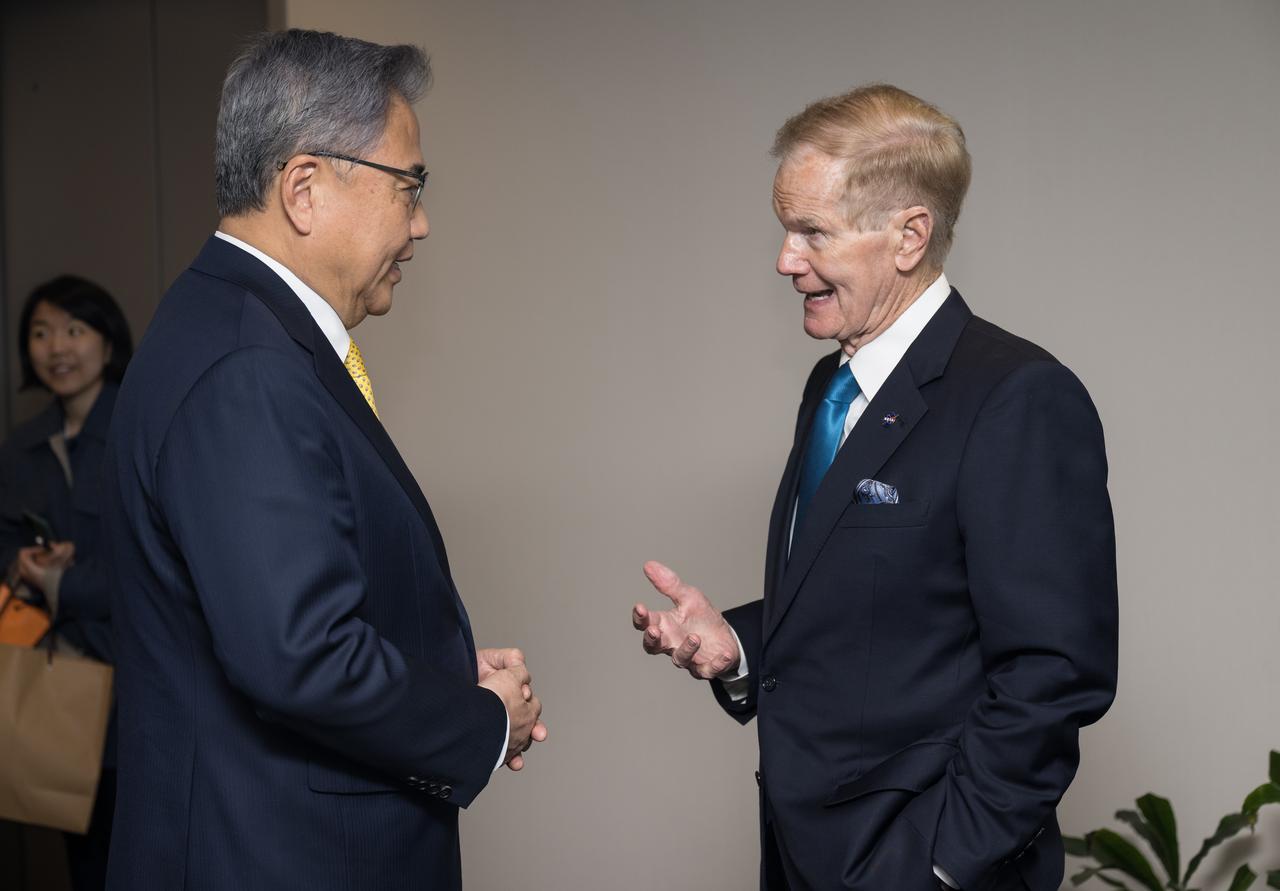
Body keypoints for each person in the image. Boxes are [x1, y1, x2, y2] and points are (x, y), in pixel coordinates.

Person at [632, 84, 1118, 891]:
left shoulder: (1019, 396)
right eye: (785, 229)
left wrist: (941, 862)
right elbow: (882, 603)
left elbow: (1053, 670)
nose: (786, 259)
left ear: (908, 236)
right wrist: (740, 645)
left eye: (810, 232)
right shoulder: (831, 384)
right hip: (802, 858)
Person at [100, 30, 545, 891]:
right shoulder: (246, 368)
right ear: (303, 187)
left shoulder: (238, 331)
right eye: (409, 186)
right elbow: (300, 654)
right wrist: (481, 721)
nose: (421, 223)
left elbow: (285, 603)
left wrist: (448, 676)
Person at [0, 274, 132, 891]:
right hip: (55, 679)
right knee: (82, 861)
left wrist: (64, 583)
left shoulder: (140, 430)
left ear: (108, 343)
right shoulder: (22, 447)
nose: (57, 347)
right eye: (41, 332)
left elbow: (152, 566)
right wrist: (24, 566)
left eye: (75, 330)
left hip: (134, 681)